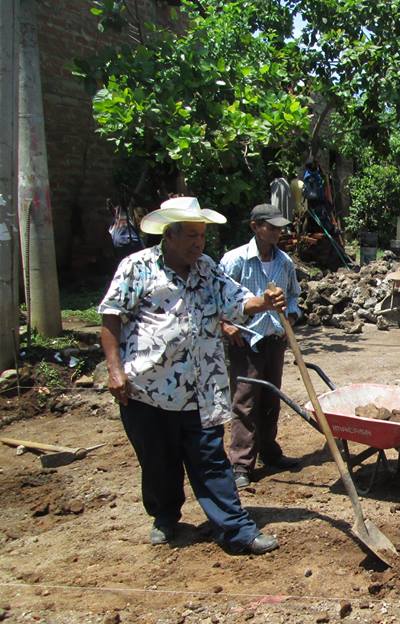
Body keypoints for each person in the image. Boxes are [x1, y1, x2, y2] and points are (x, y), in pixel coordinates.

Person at [99, 196, 287, 555]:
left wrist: (263, 300)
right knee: (158, 463)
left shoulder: (208, 269)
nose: (198, 243)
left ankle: (236, 530)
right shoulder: (136, 268)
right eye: (190, 235)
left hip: (202, 389)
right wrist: (115, 371)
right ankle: (165, 518)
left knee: (212, 462)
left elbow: (238, 301)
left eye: (202, 235)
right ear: (168, 235)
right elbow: (110, 318)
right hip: (147, 391)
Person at [220, 204, 302, 489]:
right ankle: (241, 463)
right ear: (255, 227)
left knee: (270, 400)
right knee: (245, 402)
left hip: (274, 339)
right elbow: (217, 301)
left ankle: (268, 451)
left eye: (281, 227)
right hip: (245, 340)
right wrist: (225, 325)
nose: (279, 232)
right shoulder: (235, 261)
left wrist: (291, 315)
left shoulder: (284, 262)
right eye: (273, 227)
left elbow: (293, 296)